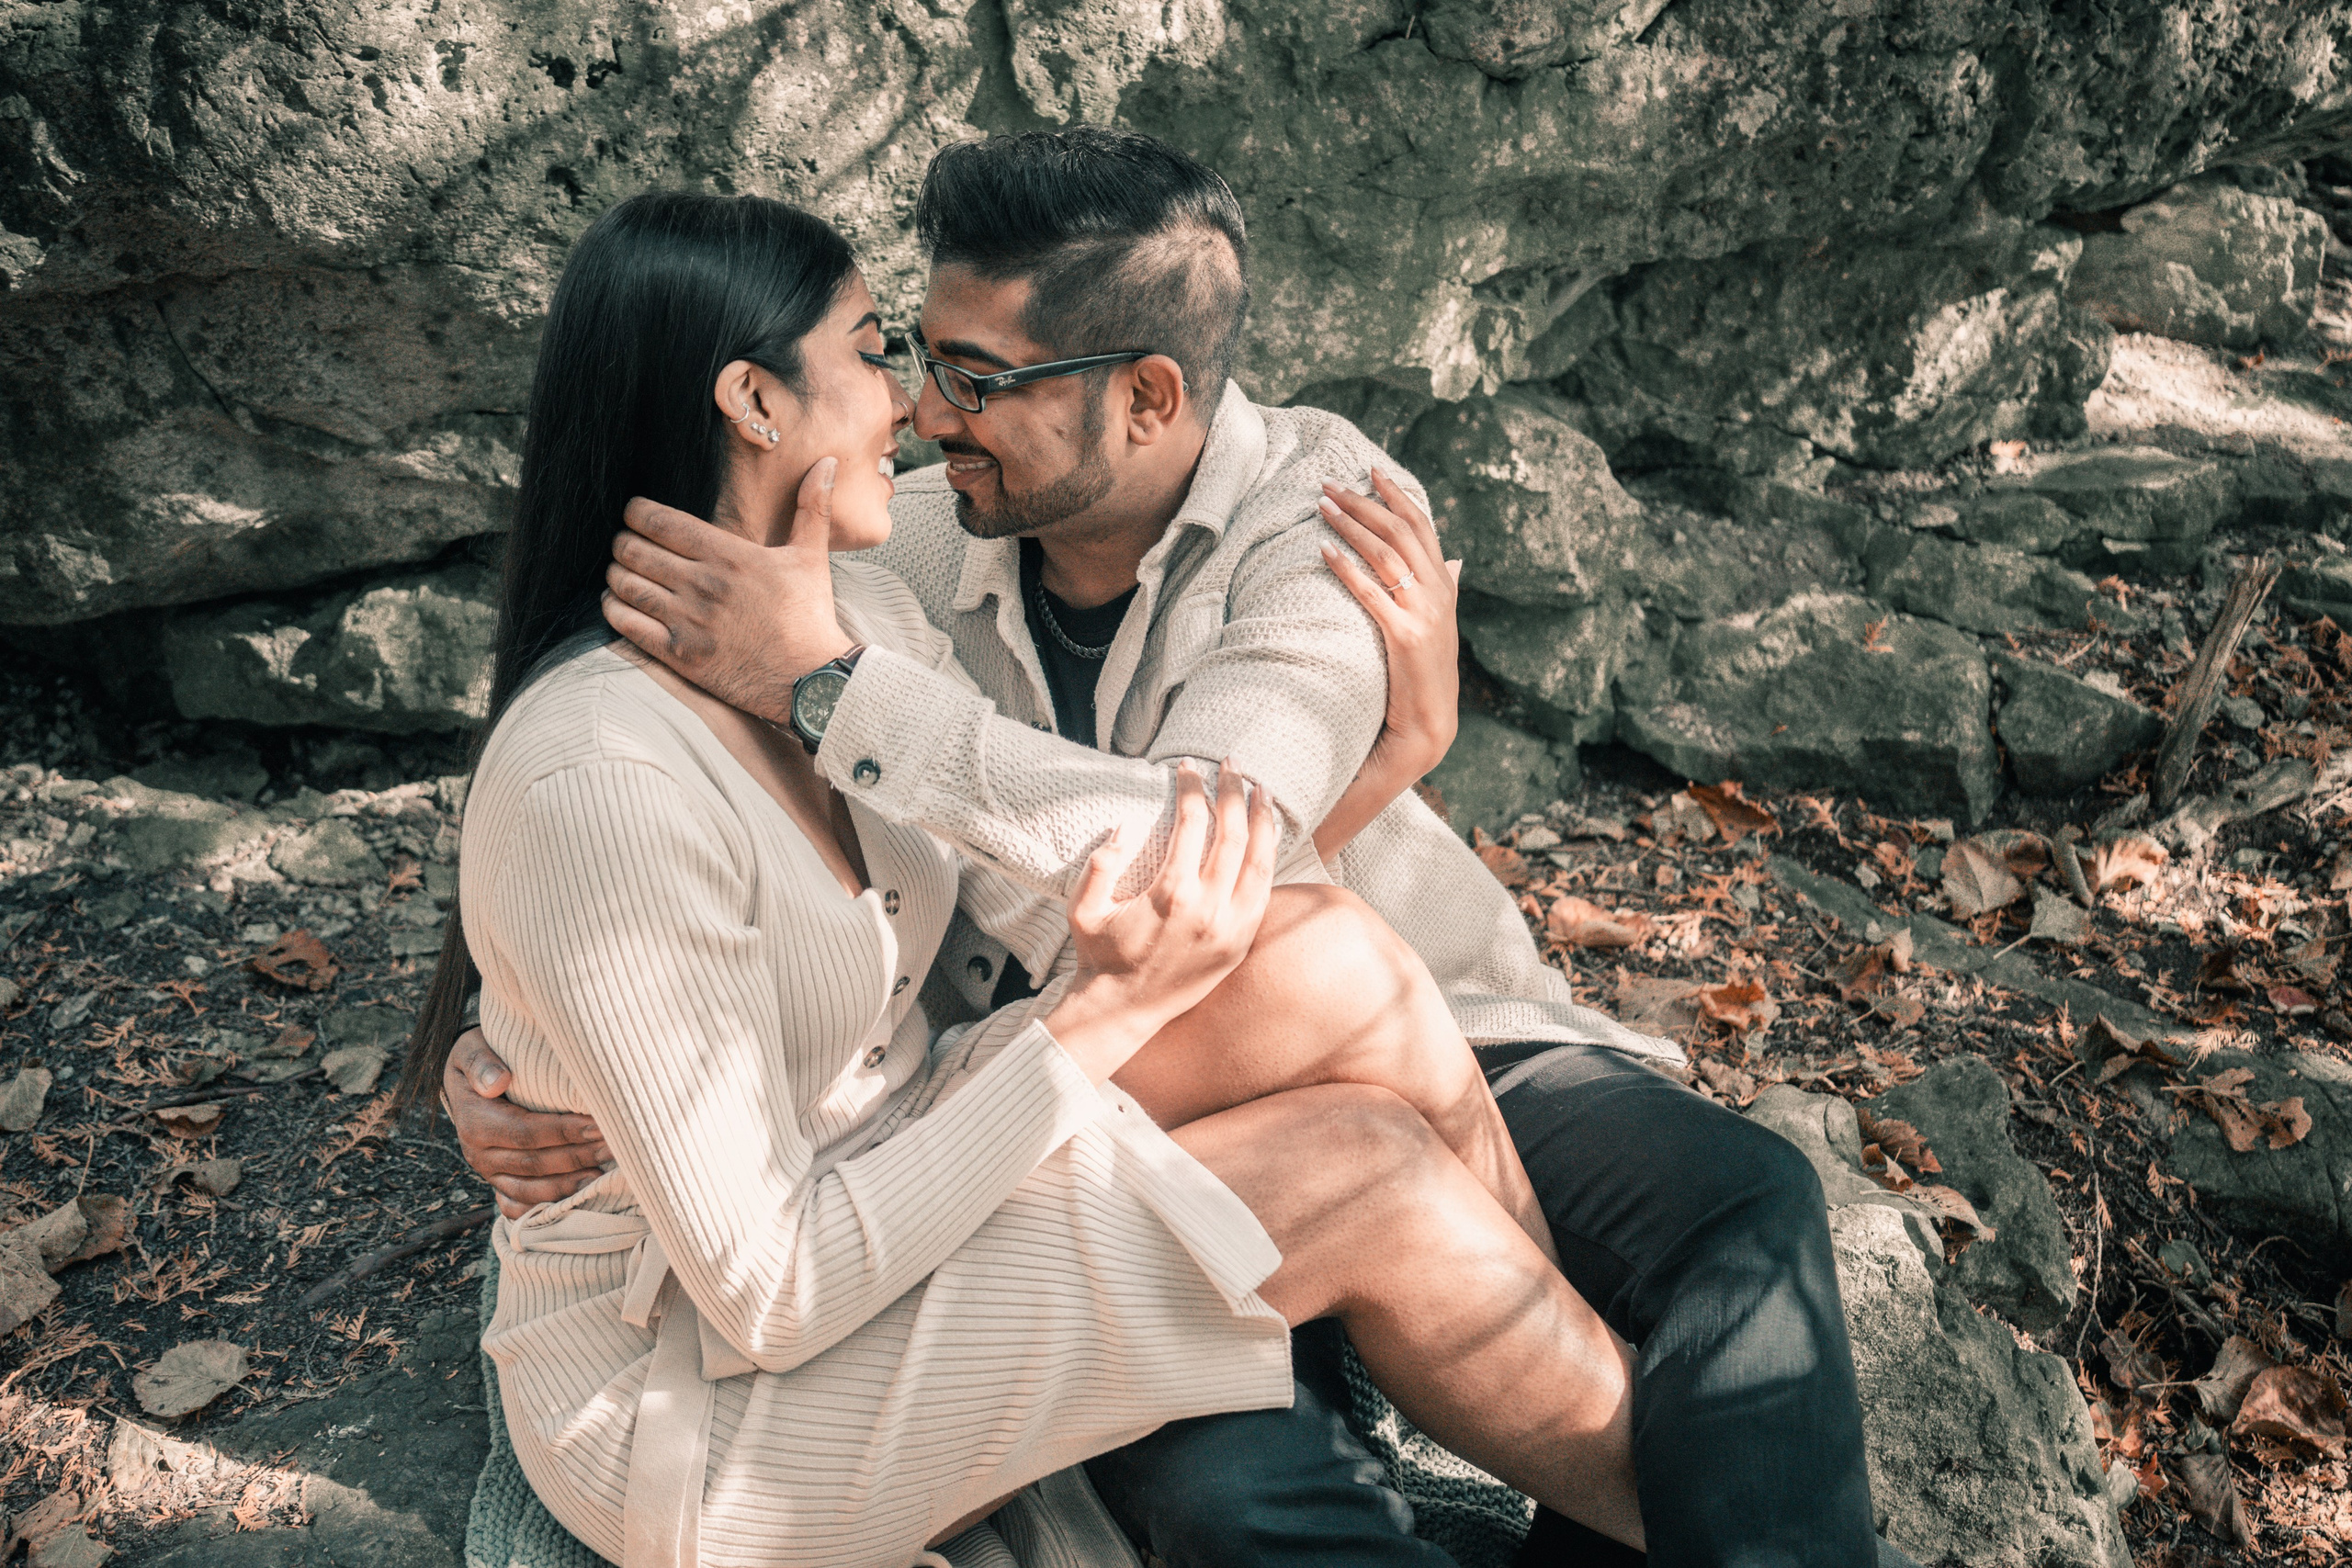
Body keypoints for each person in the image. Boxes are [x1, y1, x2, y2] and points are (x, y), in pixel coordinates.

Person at [448, 131, 1890, 1566]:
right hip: (806, 1301)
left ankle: (1645, 1491)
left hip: (1358, 1026)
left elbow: (1210, 866)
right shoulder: (889, 556)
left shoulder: (1313, 522)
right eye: (900, 355)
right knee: (1241, 1460)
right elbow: (608, 876)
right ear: (756, 404)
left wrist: (838, 691)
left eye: (969, 377)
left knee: (1717, 1188)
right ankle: (1684, 1503)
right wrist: (511, 1048)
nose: (923, 412)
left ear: (1146, 397)